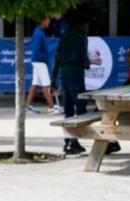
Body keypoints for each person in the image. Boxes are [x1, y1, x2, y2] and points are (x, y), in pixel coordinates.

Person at [51, 12, 90, 155]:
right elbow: (83, 57)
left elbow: (56, 59)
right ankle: (74, 141)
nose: (87, 27)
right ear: (80, 25)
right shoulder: (82, 38)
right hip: (76, 75)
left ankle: (67, 141)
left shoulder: (64, 38)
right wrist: (87, 64)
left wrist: (53, 80)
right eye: (86, 25)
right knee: (81, 109)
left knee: (68, 110)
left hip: (63, 76)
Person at [26, 16, 58, 114]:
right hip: (40, 62)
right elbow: (36, 50)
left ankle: (28, 106)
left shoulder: (38, 32)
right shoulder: (39, 33)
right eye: (48, 19)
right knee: (46, 84)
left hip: (38, 61)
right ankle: (51, 107)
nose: (49, 22)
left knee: (35, 84)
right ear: (42, 21)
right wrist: (45, 59)